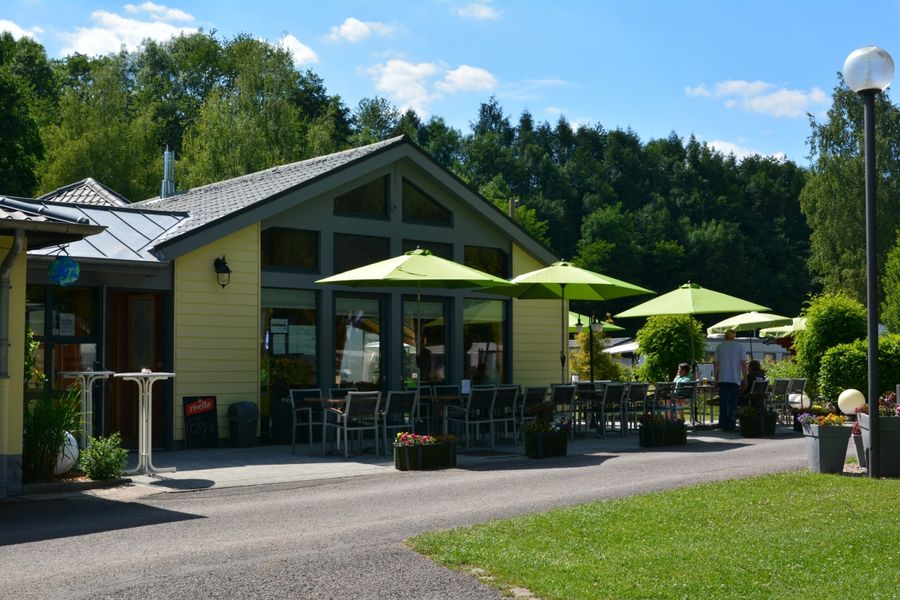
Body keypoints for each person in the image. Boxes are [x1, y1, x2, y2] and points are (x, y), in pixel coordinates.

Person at [714, 330, 747, 431]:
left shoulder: (719, 347)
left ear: (726, 336)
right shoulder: (740, 347)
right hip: (735, 379)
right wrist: (745, 379)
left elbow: (716, 365)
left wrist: (716, 378)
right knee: (733, 403)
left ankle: (723, 425)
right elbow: (743, 365)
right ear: (734, 337)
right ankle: (731, 425)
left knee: (723, 403)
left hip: (722, 379)